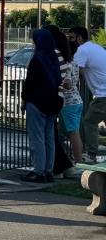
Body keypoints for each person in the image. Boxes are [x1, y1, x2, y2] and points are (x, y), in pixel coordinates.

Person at [19, 29, 63, 183]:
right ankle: (48, 170)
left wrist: (24, 99)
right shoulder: (54, 58)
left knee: (37, 137)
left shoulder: (37, 59)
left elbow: (29, 83)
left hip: (37, 102)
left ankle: (38, 171)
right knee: (49, 137)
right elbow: (59, 79)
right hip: (53, 101)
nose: (33, 43)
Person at [68, 26, 106, 165]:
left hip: (103, 94)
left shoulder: (82, 51)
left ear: (79, 38)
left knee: (89, 121)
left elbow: (74, 72)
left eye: (71, 38)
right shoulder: (95, 47)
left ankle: (91, 155)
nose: (69, 41)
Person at [45, 25, 76, 178]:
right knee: (52, 133)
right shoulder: (64, 55)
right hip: (59, 97)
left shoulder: (51, 55)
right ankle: (63, 165)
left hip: (49, 97)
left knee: (48, 135)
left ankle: (56, 167)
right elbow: (68, 82)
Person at [62, 39, 85, 172]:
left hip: (68, 102)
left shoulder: (66, 65)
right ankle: (78, 160)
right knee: (75, 132)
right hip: (77, 99)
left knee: (74, 134)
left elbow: (68, 84)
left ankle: (78, 163)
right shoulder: (75, 64)